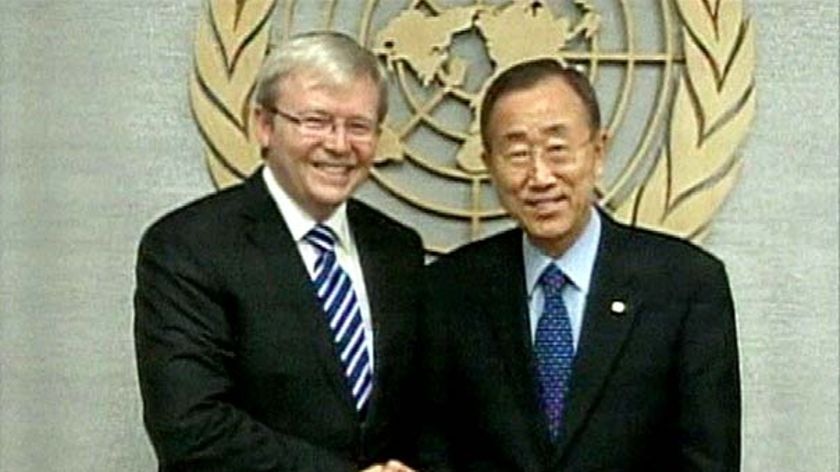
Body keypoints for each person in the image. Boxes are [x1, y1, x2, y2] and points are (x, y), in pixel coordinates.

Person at [420, 59, 741, 471]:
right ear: (489, 163)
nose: (540, 177)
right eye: (517, 154)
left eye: (557, 150)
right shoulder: (450, 290)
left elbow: (708, 460)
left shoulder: (686, 284)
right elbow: (433, 453)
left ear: (598, 151)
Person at [134, 31, 422, 472]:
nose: (340, 144)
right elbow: (192, 428)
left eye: (359, 126)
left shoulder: (397, 248)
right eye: (316, 121)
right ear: (264, 126)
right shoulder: (188, 246)